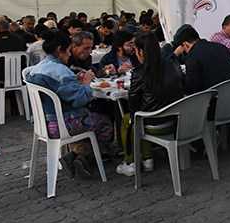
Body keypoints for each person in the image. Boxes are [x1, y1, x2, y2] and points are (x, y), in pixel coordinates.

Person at [25, 30, 114, 179]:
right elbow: (81, 99)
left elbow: (61, 92)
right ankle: (83, 156)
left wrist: (76, 82)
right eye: (67, 50)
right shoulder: (60, 71)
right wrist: (86, 82)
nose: (69, 54)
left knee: (91, 119)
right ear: (60, 50)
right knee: (105, 122)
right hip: (64, 124)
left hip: (43, 122)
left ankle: (74, 157)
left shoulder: (38, 68)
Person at [116, 33, 184, 176]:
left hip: (154, 125)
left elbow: (133, 105)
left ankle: (130, 163)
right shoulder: (171, 65)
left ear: (141, 51)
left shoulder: (140, 72)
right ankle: (148, 159)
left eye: (137, 51)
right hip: (175, 120)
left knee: (129, 120)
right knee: (142, 114)